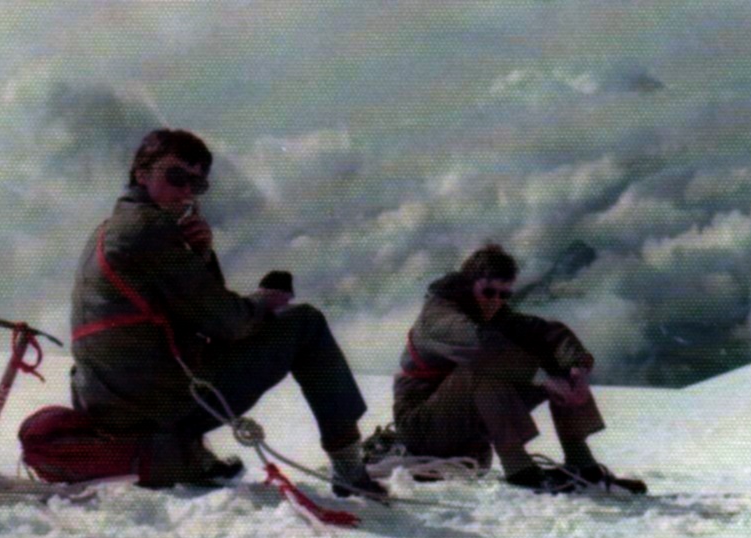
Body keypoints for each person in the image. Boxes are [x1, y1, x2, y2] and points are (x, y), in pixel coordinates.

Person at [70, 129, 384, 497]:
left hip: (110, 403)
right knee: (306, 324)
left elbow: (187, 313)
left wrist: (199, 255)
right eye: (176, 177)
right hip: (153, 405)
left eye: (197, 185)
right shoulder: (149, 228)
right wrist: (263, 302)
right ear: (141, 173)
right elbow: (227, 324)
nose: (186, 192)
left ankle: (191, 458)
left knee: (188, 359)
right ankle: (350, 470)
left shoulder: (108, 231)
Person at [393, 244, 647, 494]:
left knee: (553, 359)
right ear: (469, 284)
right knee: (483, 368)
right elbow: (480, 347)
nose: (496, 301)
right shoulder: (439, 315)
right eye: (489, 292)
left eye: (504, 295)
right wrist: (541, 378)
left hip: (461, 428)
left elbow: (548, 333)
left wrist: (576, 368)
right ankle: (520, 470)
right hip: (421, 428)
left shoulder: (490, 313)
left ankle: (582, 463)